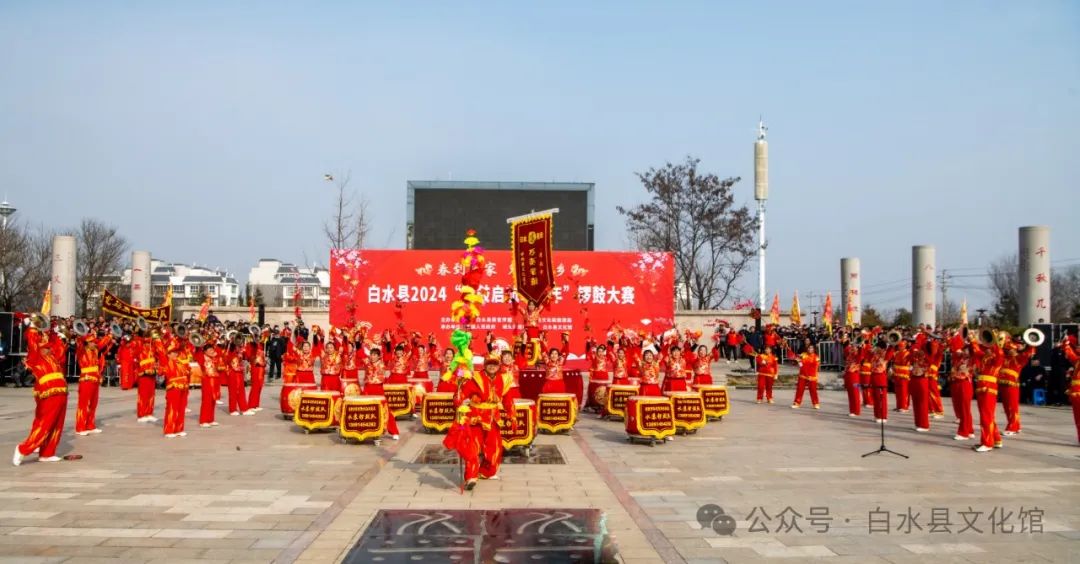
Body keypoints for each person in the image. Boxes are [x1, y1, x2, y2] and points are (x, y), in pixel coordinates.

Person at [443, 356, 517, 491]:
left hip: (493, 418)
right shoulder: (475, 378)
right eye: (489, 364)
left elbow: (507, 399)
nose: (492, 366)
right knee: (473, 448)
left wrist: (512, 415)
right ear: (485, 365)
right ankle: (471, 477)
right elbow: (461, 396)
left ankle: (486, 472)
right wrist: (458, 394)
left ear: (498, 366)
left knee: (494, 448)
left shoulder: (503, 379)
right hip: (476, 418)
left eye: (495, 364)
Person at [13, 324, 69, 466]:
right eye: (45, 347)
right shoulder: (36, 357)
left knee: (57, 425)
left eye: (49, 347)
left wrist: (56, 335)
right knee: (45, 424)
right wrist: (33, 326)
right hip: (48, 393)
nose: (49, 349)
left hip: (61, 392)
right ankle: (23, 449)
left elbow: (60, 351)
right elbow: (32, 342)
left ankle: (47, 453)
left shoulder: (53, 358)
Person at [75, 330, 112, 435]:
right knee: (84, 404)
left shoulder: (95, 350)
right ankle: (80, 427)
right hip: (86, 380)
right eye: (92, 342)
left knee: (93, 404)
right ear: (87, 343)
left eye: (94, 342)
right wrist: (80, 334)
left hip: (95, 379)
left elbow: (102, 343)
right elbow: (80, 342)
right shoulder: (81, 351)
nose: (94, 344)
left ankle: (90, 425)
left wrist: (109, 335)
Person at [972, 340, 1004, 453]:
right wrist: (973, 340)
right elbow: (977, 351)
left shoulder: (997, 359)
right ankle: (996, 439)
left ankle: (987, 443)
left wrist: (994, 342)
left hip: (989, 389)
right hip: (982, 387)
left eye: (989, 347)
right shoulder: (985, 357)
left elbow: (999, 352)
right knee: (988, 416)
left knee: (986, 416)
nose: (986, 349)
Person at [363, 346, 399, 440]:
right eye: (371, 354)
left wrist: (388, 343)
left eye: (375, 355)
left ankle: (394, 431)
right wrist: (358, 342)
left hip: (378, 388)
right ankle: (365, 429)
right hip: (367, 388)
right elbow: (360, 354)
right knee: (365, 409)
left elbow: (388, 355)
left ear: (379, 356)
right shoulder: (367, 363)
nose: (372, 356)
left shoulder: (383, 363)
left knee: (385, 410)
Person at [999, 341, 1035, 435]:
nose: (1010, 351)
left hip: (1012, 385)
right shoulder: (1004, 357)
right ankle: (1016, 426)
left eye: (1011, 349)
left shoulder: (1019, 358)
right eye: (1008, 349)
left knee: (1012, 407)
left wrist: (1031, 344)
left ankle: (1012, 428)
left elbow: (1028, 353)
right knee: (1007, 407)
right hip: (1003, 384)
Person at [792, 339, 820, 409]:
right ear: (807, 348)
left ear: (814, 349)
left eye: (812, 348)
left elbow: (815, 367)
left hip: (812, 377)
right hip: (803, 375)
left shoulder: (816, 357)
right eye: (809, 348)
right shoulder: (803, 355)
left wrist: (813, 376)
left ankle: (816, 403)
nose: (810, 349)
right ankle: (797, 403)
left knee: (813, 391)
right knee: (800, 389)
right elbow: (800, 364)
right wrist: (798, 361)